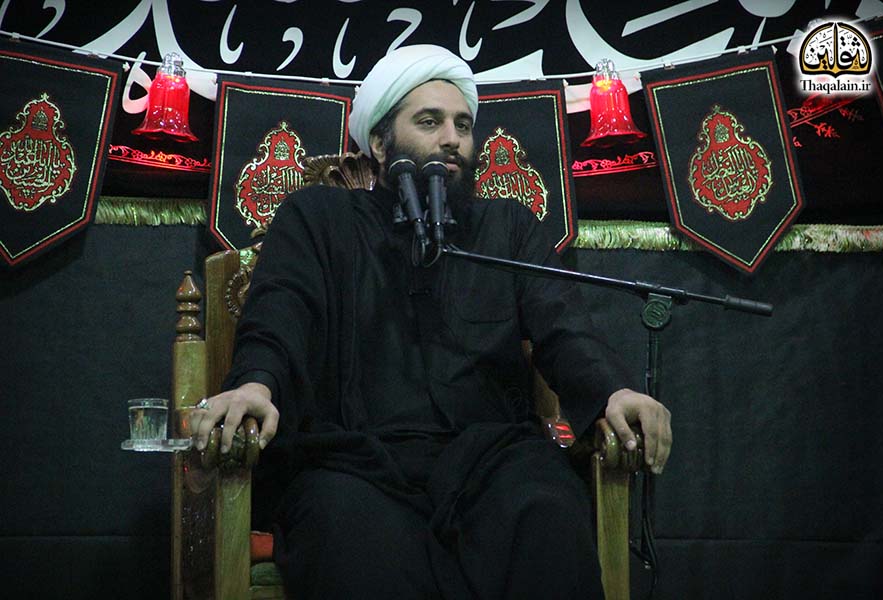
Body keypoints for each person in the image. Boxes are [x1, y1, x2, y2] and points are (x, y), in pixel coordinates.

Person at [191, 44, 672, 599]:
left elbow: (563, 326)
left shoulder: (506, 228)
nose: (452, 139)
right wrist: (255, 384)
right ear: (379, 143)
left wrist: (612, 391)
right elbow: (281, 313)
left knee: (547, 510)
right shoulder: (318, 219)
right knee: (345, 530)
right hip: (354, 462)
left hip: (491, 460)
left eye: (463, 125)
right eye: (430, 122)